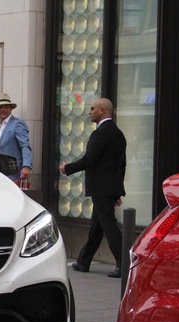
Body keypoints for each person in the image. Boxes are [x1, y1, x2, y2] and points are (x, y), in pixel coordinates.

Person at [59, 97, 127, 278]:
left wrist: (67, 168)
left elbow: (90, 160)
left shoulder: (100, 134)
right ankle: (83, 262)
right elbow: (122, 165)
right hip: (109, 188)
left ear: (102, 111)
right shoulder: (118, 134)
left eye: (92, 109)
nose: (89, 112)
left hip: (102, 188)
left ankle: (124, 264)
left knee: (109, 226)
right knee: (97, 226)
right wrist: (117, 189)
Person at [0, 93, 32, 181]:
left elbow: (25, 145)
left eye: (6, 107)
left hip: (14, 174)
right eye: (0, 107)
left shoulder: (17, 124)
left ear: (11, 108)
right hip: (0, 173)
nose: (3, 109)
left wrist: (26, 166)